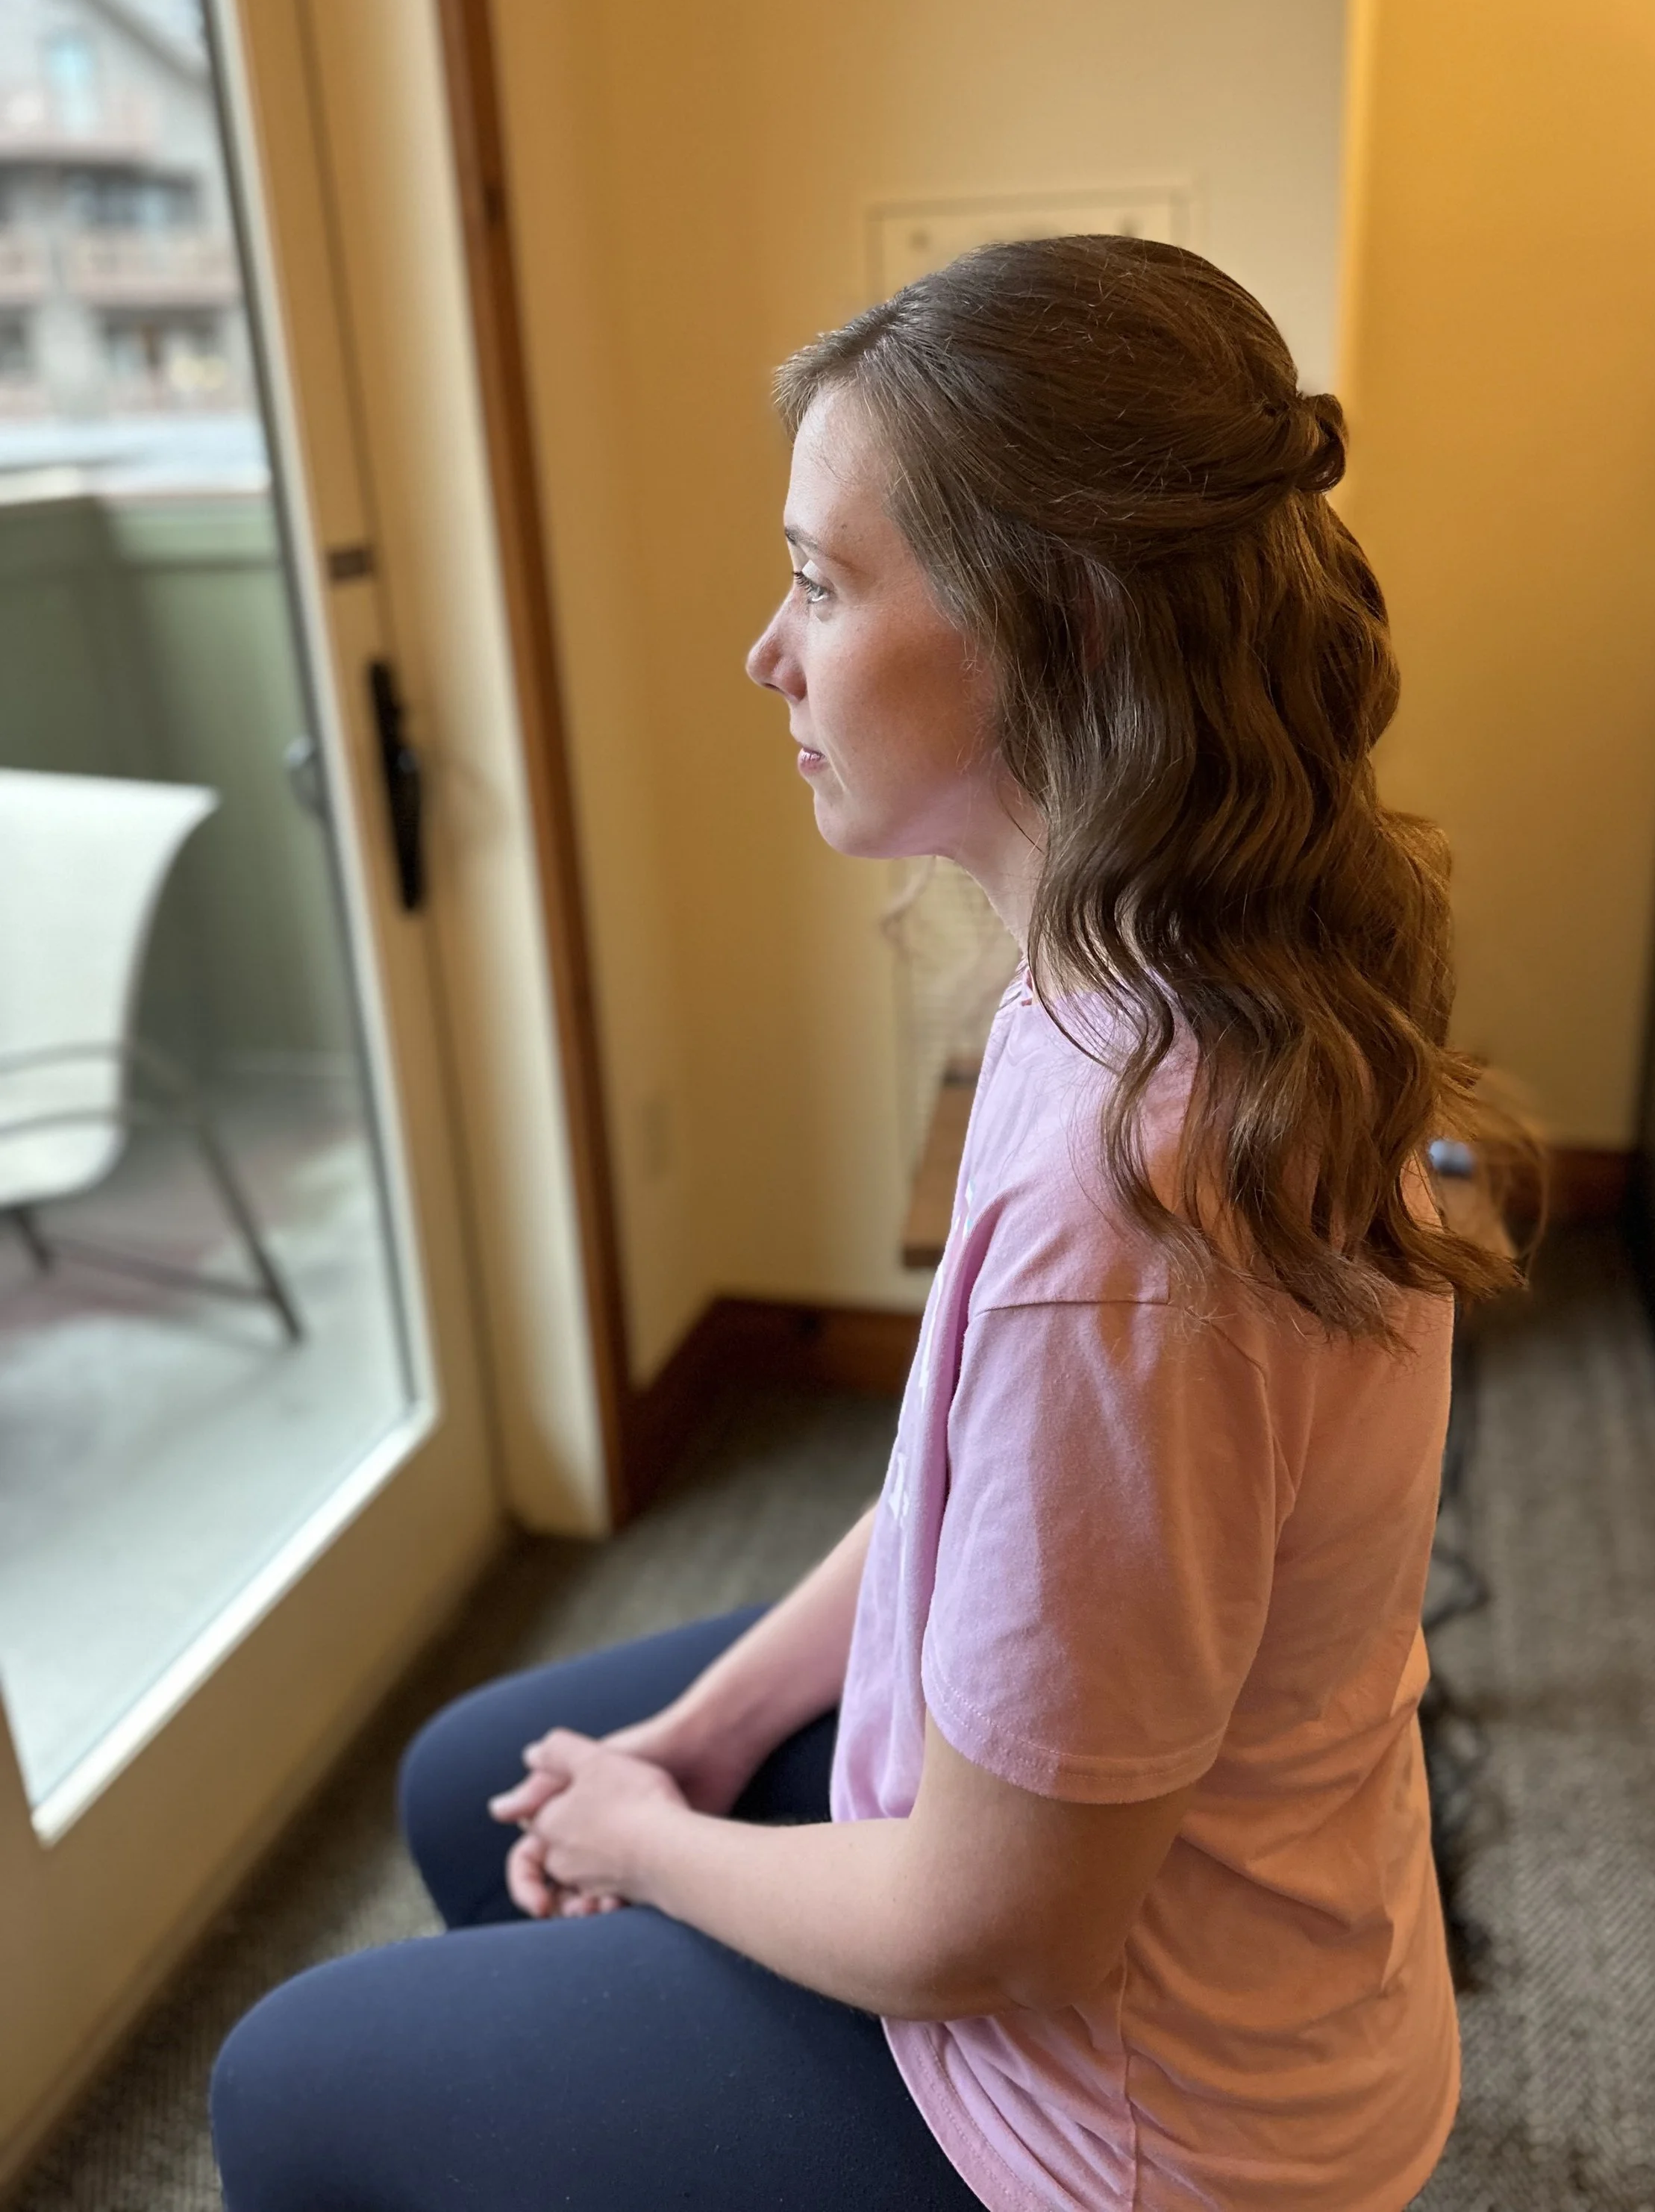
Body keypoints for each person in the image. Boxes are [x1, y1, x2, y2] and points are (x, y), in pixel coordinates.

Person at [211, 237, 1523, 2212]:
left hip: (1121, 2124)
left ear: (1057, 627)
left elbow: (998, 1935)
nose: (770, 649)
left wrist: (651, 1833)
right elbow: (949, 1480)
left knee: (287, 2076)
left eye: (820, 582)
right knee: (477, 1771)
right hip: (1139, 1923)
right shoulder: (1131, 955)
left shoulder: (1128, 1204)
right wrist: (694, 1725)